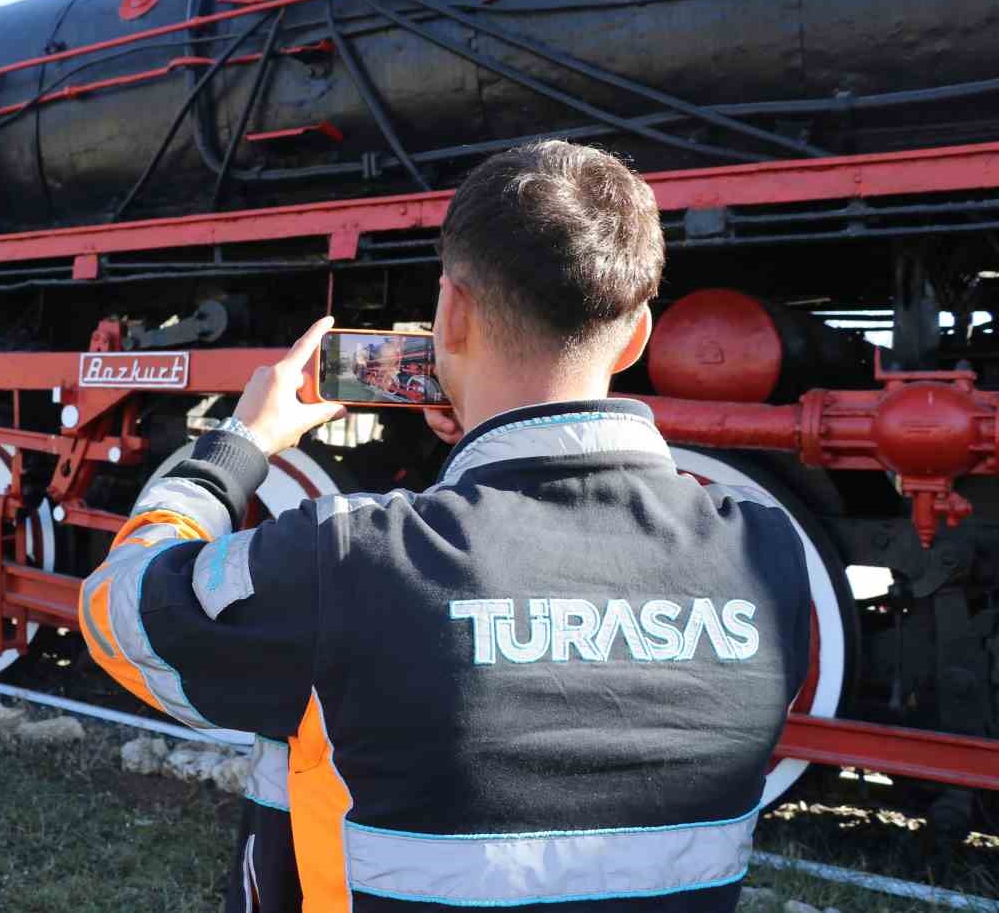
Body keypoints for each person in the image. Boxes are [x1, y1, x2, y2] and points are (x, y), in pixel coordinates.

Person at [79, 140, 812, 912]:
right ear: (635, 338)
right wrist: (482, 447)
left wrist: (241, 446)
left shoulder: (349, 561)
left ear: (451, 312)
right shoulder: (766, 553)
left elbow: (119, 607)